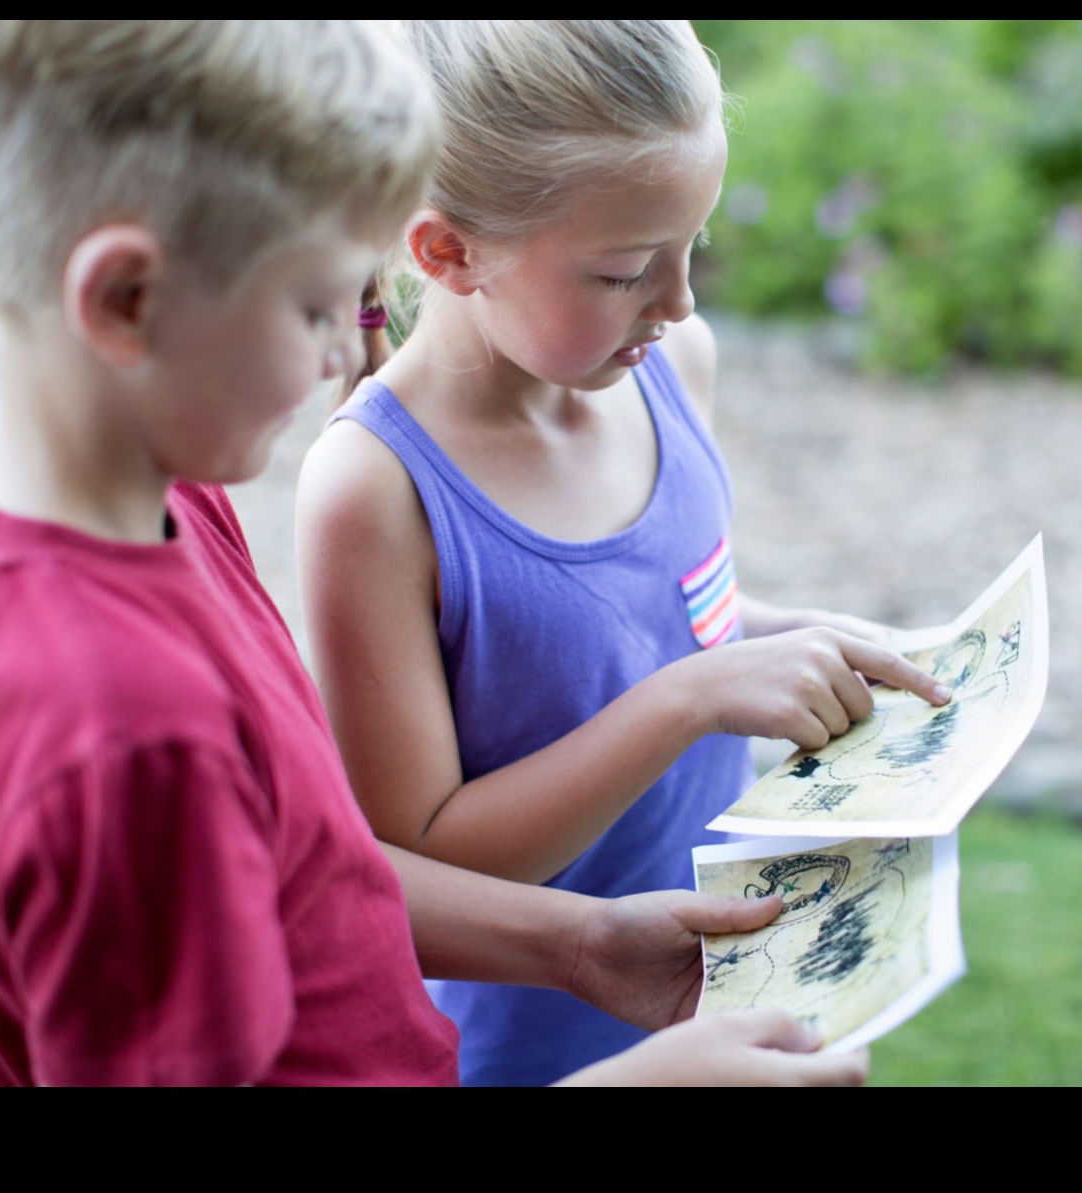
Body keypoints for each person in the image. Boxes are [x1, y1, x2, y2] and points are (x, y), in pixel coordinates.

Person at [0, 19, 871, 1088]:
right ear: (126, 300)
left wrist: (578, 945)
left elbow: (317, 867)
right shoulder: (123, 737)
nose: (347, 348)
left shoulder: (157, 499)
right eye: (318, 303)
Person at [297, 20, 953, 1086]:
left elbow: (651, 622)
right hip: (532, 1045)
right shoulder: (374, 491)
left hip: (722, 998)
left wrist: (801, 641)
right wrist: (691, 698)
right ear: (446, 251)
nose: (681, 299)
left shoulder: (666, 365)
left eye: (691, 244)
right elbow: (419, 854)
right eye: (623, 271)